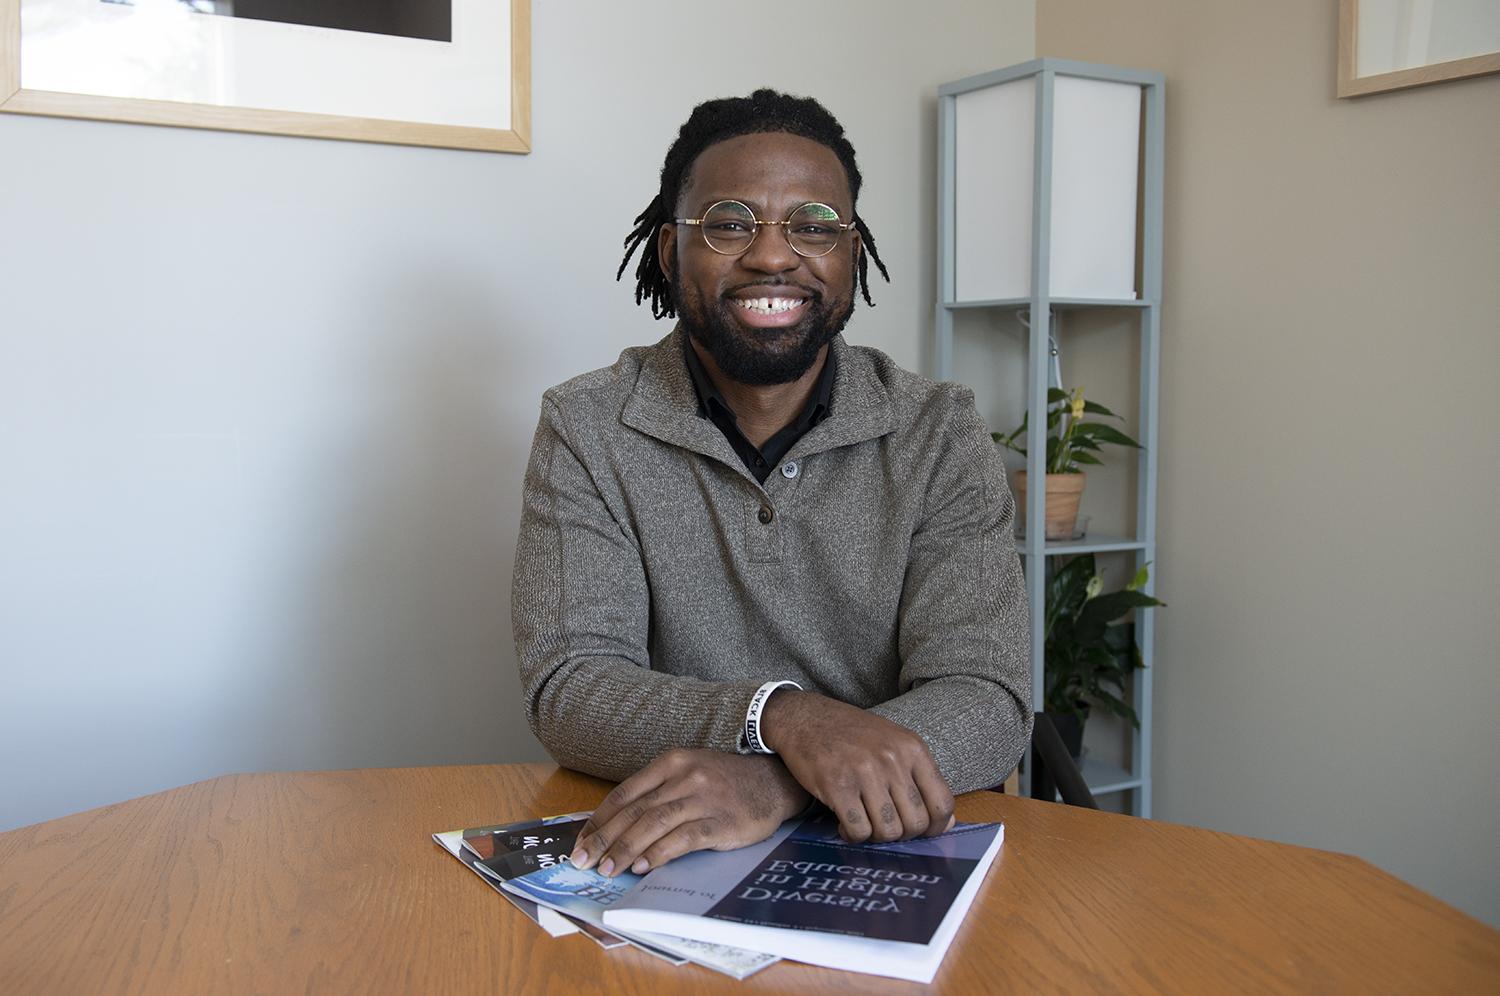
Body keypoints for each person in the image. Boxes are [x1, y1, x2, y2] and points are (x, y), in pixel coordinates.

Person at [512, 89, 1030, 880]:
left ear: (851, 254)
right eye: (728, 222)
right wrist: (781, 718)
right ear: (667, 251)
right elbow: (572, 687)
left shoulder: (940, 432)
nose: (773, 256)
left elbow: (988, 695)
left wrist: (776, 780)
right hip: (672, 855)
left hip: (890, 849)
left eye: (815, 226)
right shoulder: (587, 427)